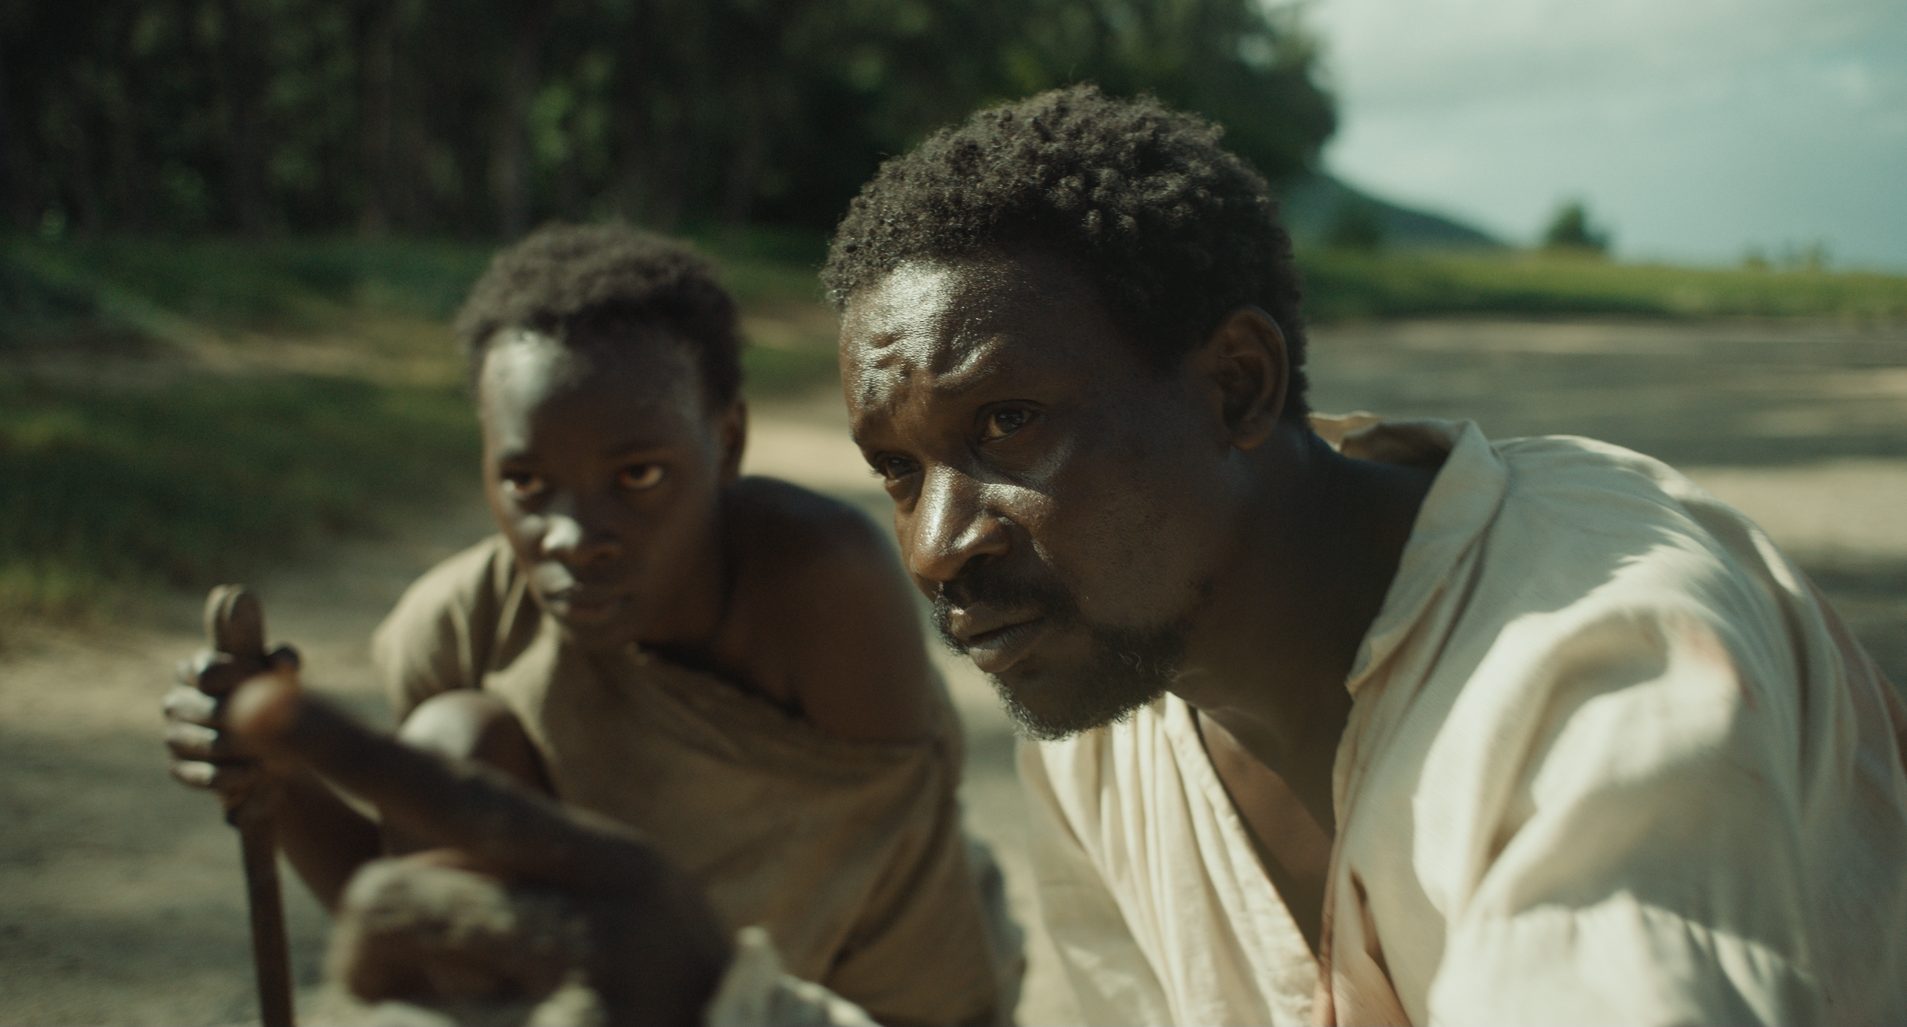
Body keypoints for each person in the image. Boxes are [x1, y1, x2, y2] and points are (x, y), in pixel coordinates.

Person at [817, 84, 1907, 1025]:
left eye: (1007, 423)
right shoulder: (1099, 720)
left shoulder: (1605, 657)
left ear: (1236, 385)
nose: (934, 548)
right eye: (898, 470)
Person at [163, 224, 1015, 1026]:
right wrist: (277, 780)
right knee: (452, 737)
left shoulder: (818, 582)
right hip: (621, 1002)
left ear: (726, 442)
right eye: (528, 484)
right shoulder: (457, 629)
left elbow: (868, 872)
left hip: (862, 1010)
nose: (573, 537)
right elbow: (419, 921)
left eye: (637, 475)